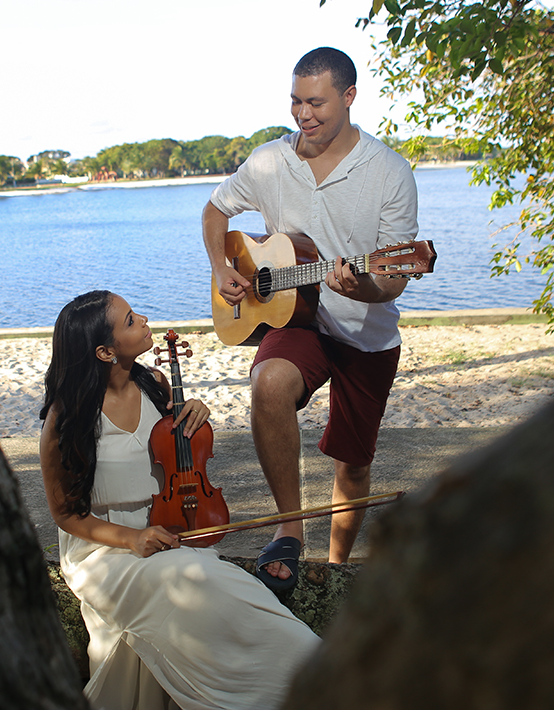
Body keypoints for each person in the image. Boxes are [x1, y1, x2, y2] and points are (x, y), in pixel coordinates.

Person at [201, 46, 419, 592]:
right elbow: (215, 210)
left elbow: (393, 277)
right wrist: (223, 265)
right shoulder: (270, 161)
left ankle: (338, 569)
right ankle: (289, 533)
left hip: (366, 332)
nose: (304, 115)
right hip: (296, 320)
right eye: (296, 102)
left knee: (354, 465)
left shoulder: (389, 171)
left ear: (348, 97)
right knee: (268, 383)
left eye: (316, 102)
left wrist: (363, 283)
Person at [38, 290, 320, 710]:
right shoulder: (68, 417)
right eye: (131, 320)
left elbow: (175, 455)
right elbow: (66, 514)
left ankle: (313, 672)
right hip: (104, 550)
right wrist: (131, 540)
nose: (145, 319)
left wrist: (192, 414)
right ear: (104, 351)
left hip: (169, 531)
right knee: (197, 578)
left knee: (224, 590)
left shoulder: (154, 384)